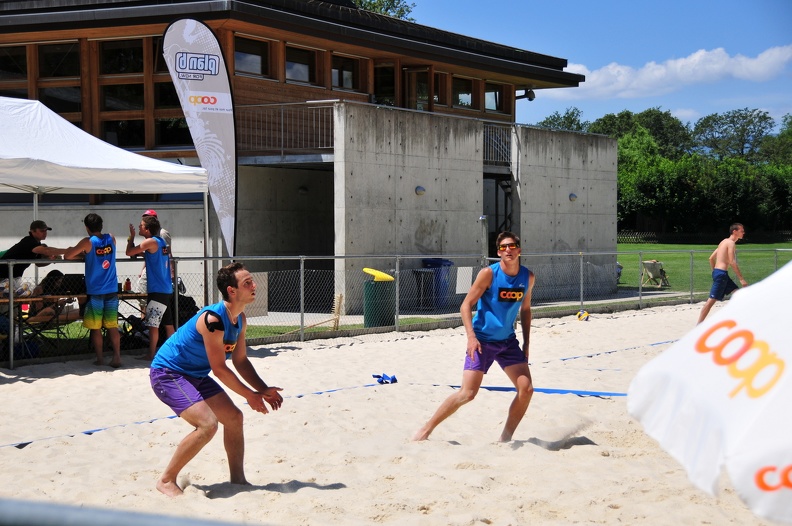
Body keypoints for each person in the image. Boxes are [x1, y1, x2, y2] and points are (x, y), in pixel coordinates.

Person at [149, 262, 283, 497]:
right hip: (168, 373)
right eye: (247, 283)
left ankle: (238, 481)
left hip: (195, 375)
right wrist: (250, 396)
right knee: (208, 425)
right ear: (232, 290)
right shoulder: (213, 320)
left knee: (234, 417)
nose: (255, 285)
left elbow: (240, 361)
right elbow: (220, 369)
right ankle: (166, 480)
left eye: (252, 281)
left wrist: (263, 390)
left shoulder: (240, 318)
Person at [413, 231, 535, 442]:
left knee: (526, 390)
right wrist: (471, 337)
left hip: (507, 342)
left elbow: (526, 310)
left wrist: (526, 342)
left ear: (519, 249)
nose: (508, 250)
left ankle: (505, 439)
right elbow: (465, 305)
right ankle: (425, 431)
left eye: (512, 246)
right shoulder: (489, 273)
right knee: (467, 394)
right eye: (504, 247)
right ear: (498, 252)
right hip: (482, 341)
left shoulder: (528, 277)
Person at [64, 213, 122, 368]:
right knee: (112, 325)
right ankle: (116, 357)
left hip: (95, 291)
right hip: (111, 289)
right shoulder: (111, 238)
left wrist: (83, 255)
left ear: (87, 227)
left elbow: (67, 256)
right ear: (101, 225)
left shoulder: (87, 242)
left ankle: (100, 359)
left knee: (96, 328)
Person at [126, 215, 175, 360]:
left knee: (153, 325)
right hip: (165, 289)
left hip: (157, 290)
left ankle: (151, 354)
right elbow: (143, 253)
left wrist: (131, 237)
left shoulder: (151, 241)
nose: (139, 227)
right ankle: (173, 353)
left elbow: (129, 252)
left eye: (141, 225)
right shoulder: (161, 242)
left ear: (147, 229)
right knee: (168, 324)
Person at [697, 223, 749, 325]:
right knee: (711, 301)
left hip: (720, 273)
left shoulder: (723, 242)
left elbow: (711, 258)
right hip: (721, 274)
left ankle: (740, 320)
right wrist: (741, 279)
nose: (743, 232)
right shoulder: (730, 243)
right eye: (741, 231)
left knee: (737, 294)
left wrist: (714, 272)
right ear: (735, 231)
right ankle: (698, 326)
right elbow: (732, 261)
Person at [0, 220, 68, 285]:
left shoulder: (36, 243)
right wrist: (69, 250)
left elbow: (38, 263)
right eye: (42, 231)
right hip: (3, 275)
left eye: (46, 231)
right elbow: (47, 251)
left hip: (11, 277)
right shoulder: (29, 241)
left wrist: (50, 260)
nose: (45, 233)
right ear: (32, 231)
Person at [132, 209, 172, 312]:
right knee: (143, 299)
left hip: (158, 284)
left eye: (148, 218)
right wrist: (142, 268)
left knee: (153, 324)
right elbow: (153, 254)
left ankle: (145, 323)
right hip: (160, 285)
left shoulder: (160, 236)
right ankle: (143, 322)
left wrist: (131, 237)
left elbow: (166, 254)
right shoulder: (153, 239)